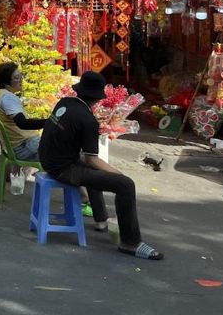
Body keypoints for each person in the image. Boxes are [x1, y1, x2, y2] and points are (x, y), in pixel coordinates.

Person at [39, 71, 164, 261]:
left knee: (95, 173)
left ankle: (100, 219)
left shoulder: (65, 103)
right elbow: (92, 160)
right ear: (97, 99)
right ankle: (130, 242)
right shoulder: (88, 120)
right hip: (63, 167)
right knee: (125, 185)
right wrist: (120, 175)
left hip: (48, 158)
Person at [0, 62, 44, 160]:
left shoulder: (1, 95)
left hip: (23, 146)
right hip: (24, 148)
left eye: (20, 77)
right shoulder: (7, 98)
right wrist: (49, 122)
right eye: (16, 78)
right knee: (67, 148)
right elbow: (22, 123)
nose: (21, 80)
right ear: (6, 83)